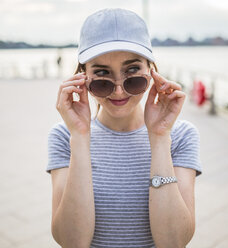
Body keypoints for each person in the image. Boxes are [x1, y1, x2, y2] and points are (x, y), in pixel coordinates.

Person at [46, 8, 202, 248]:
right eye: (101, 75)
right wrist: (79, 136)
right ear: (82, 77)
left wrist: (160, 138)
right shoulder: (64, 136)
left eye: (132, 72)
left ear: (151, 71)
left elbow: (174, 242)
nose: (119, 91)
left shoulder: (181, 136)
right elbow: (72, 241)